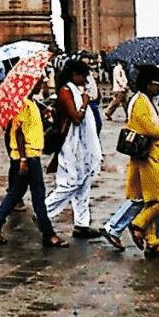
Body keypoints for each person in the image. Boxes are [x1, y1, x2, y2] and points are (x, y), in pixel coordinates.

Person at [0, 72, 65, 248]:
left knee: (15, 193)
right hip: (28, 156)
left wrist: (43, 115)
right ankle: (49, 234)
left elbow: (30, 127)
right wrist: (23, 159)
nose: (42, 84)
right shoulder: (24, 105)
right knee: (38, 196)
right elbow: (20, 134)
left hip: (28, 155)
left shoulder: (30, 104)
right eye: (38, 82)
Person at [42, 59, 102, 241]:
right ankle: (43, 212)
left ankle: (81, 225)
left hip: (82, 145)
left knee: (84, 182)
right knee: (71, 183)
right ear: (74, 75)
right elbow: (76, 117)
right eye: (83, 76)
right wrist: (84, 102)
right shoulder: (65, 92)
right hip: (70, 144)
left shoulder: (76, 90)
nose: (85, 80)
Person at [124, 65, 159, 255]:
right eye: (157, 84)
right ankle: (138, 224)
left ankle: (152, 242)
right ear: (148, 84)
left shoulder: (149, 101)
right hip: (149, 158)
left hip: (157, 156)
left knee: (151, 200)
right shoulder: (140, 101)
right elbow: (148, 128)